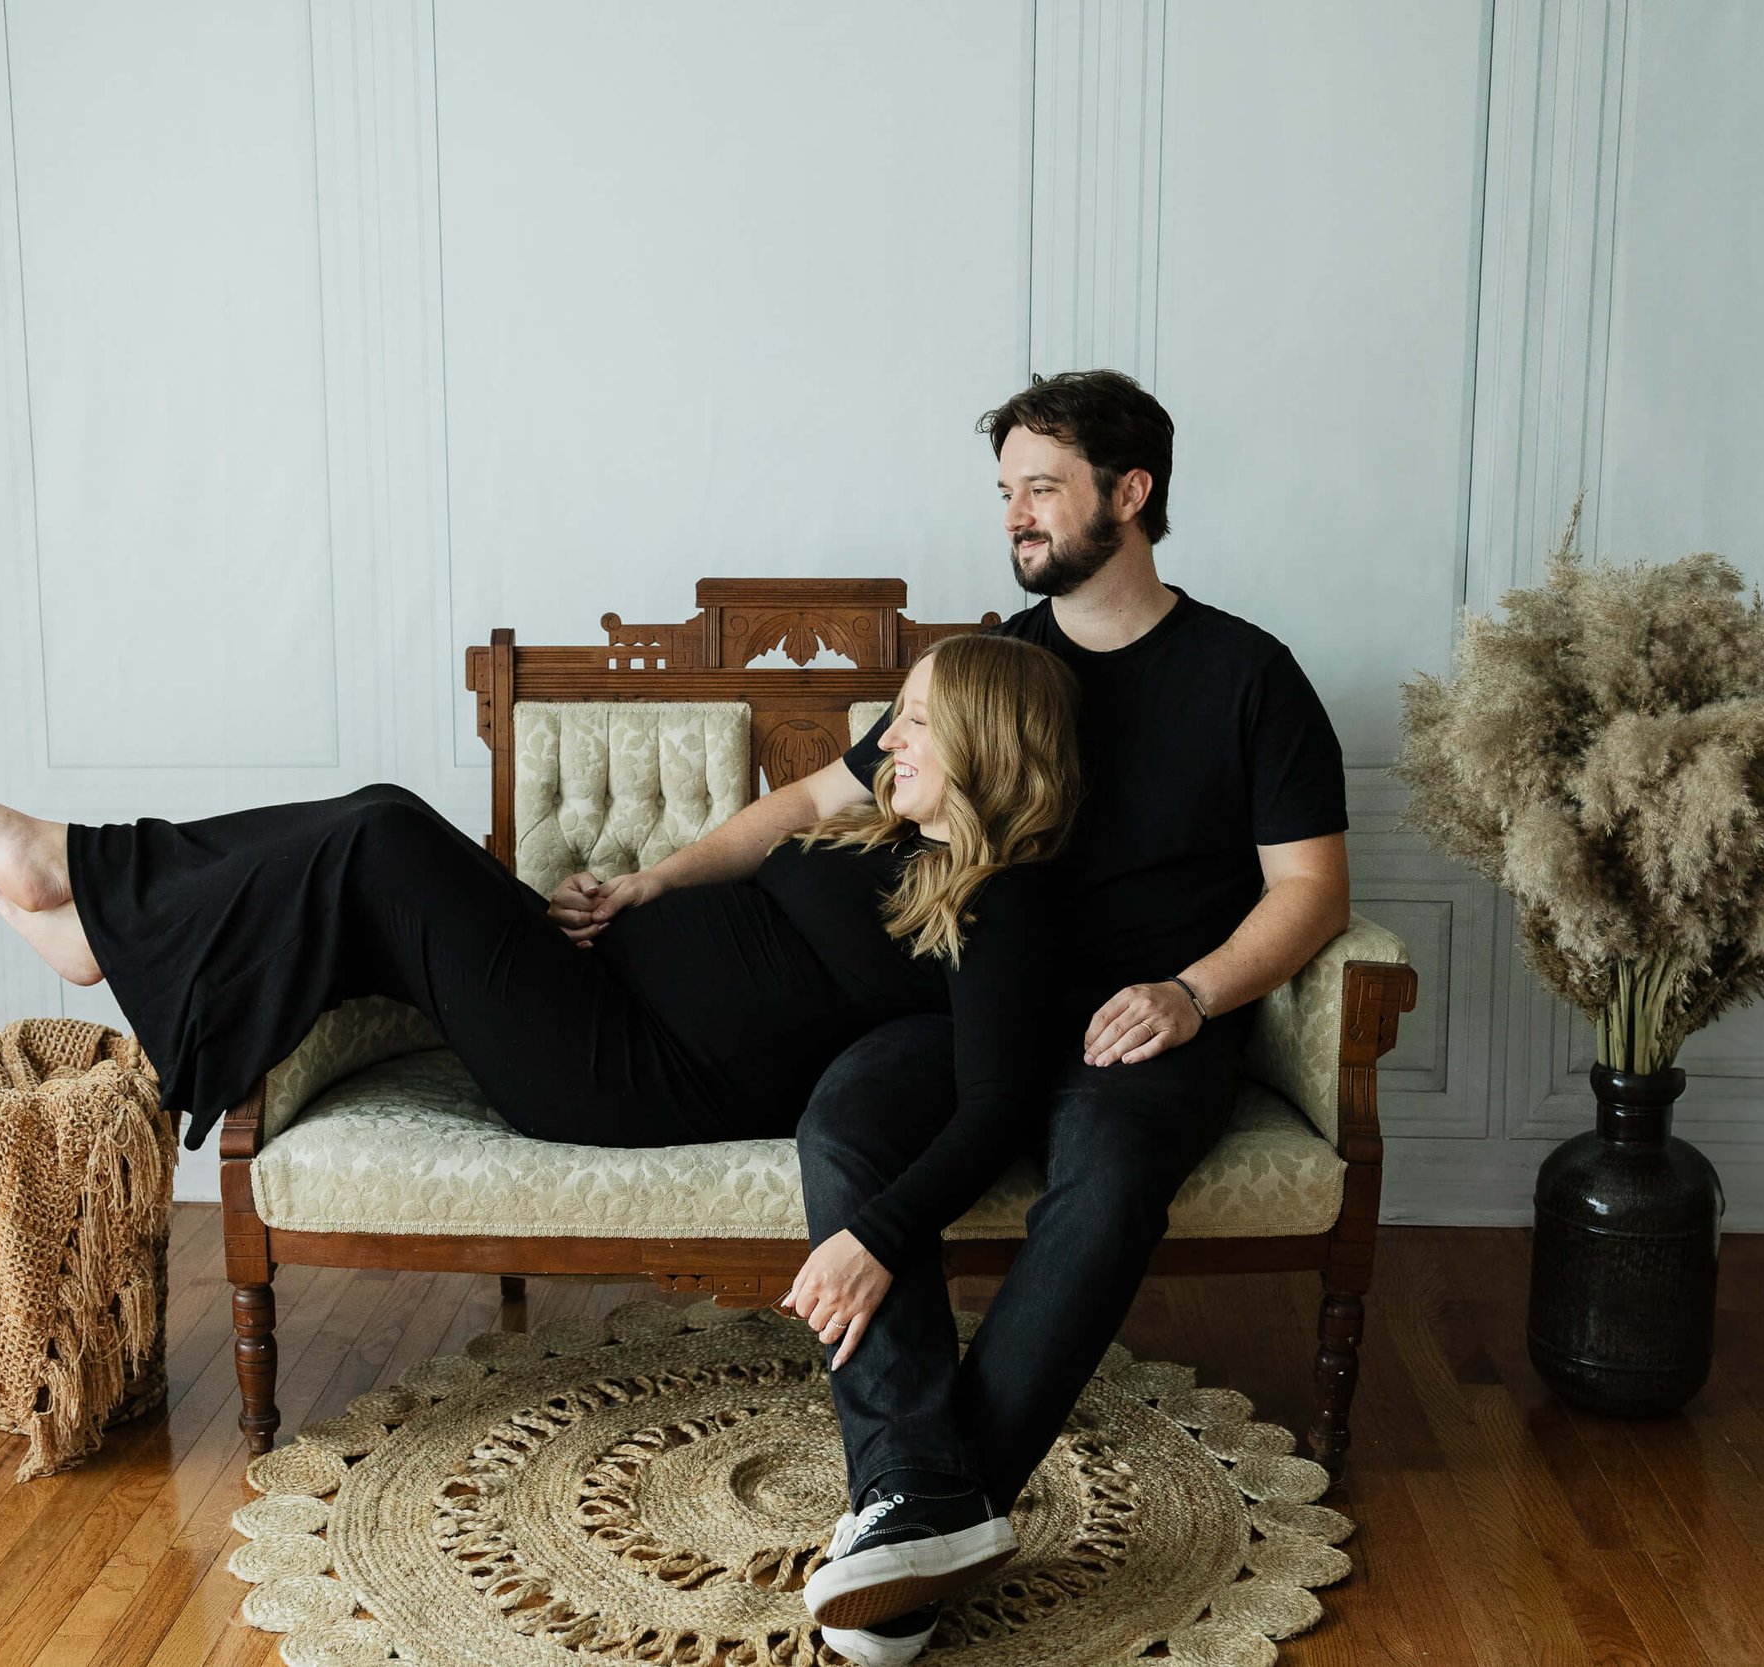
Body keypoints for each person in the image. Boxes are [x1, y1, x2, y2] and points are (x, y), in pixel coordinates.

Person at [550, 370, 1350, 1664]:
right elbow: (813, 797)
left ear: (1130, 492)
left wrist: (1192, 991)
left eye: (1043, 488)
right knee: (848, 1114)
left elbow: (1312, 889)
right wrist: (657, 874)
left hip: (1140, 1022)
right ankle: (913, 1487)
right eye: (1007, 492)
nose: (1017, 516)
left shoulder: (1248, 675)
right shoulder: (994, 667)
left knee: (1106, 1176)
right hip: (968, 1004)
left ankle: (921, 1522)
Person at [0, 635, 1082, 1330]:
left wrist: (877, 1234)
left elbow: (996, 1102)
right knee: (365, 863)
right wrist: (652, 886)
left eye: (917, 719)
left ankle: (83, 875)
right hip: (605, 987)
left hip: (623, 1072)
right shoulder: (894, 819)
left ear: (987, 741)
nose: (892, 735)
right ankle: (99, 925)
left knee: (384, 830)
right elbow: (787, 814)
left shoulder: (1004, 902)